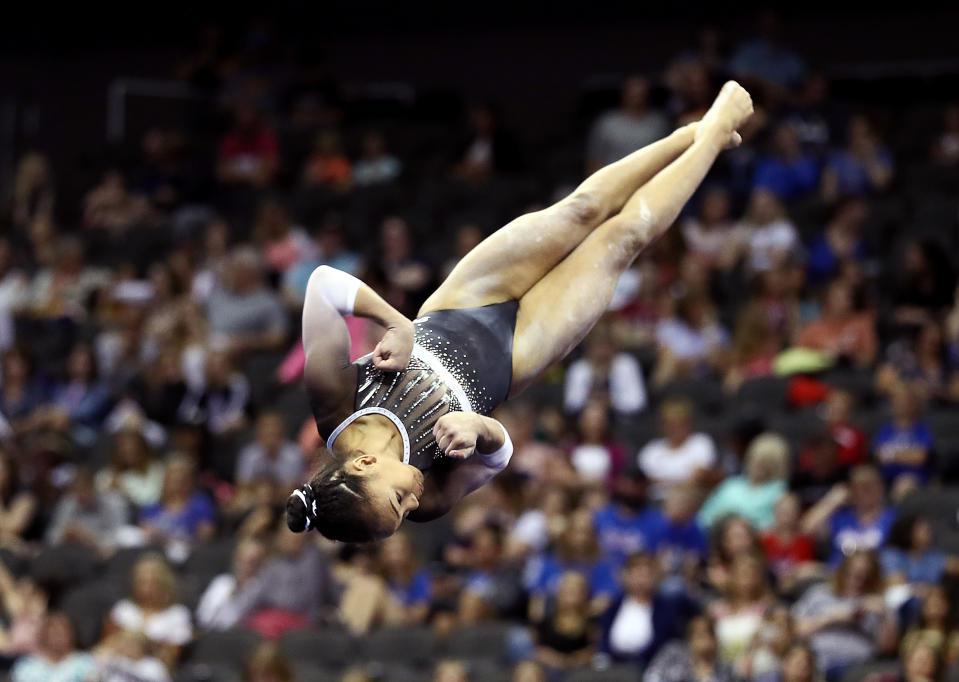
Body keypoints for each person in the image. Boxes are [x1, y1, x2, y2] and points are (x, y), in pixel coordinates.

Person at [286, 82, 755, 543]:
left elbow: (324, 285)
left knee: (582, 210)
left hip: (461, 303)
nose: (413, 502)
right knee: (622, 240)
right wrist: (482, 429)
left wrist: (397, 323)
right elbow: (498, 458)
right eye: (405, 512)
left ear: (364, 465)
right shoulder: (429, 503)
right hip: (516, 354)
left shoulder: (335, 402)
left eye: (398, 501)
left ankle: (684, 136)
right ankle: (714, 133)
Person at [792, 551, 897, 676]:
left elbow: (887, 648)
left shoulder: (877, 603)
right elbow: (795, 630)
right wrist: (832, 618)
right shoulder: (819, 593)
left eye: (866, 576)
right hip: (818, 662)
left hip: (859, 666)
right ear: (842, 571)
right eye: (853, 574)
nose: (859, 581)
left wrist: (883, 616)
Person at [599, 551, 700, 668]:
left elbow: (694, 612)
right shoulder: (614, 606)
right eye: (636, 574)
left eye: (646, 575)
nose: (641, 580)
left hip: (650, 666)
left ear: (656, 577)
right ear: (626, 576)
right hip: (614, 666)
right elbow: (604, 639)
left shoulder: (667, 606)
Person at [102, 555, 193, 667]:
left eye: (152, 583)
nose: (147, 589)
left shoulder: (177, 614)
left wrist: (142, 644)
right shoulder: (123, 608)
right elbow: (107, 644)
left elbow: (171, 656)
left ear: (164, 584)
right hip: (118, 664)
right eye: (142, 583)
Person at [801, 465, 896, 566]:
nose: (866, 491)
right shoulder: (839, 517)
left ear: (880, 487)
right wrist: (832, 501)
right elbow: (806, 529)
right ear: (851, 491)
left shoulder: (891, 517)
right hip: (837, 575)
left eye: (870, 486)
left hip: (877, 577)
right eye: (860, 486)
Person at [698, 432, 789, 531]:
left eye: (764, 463)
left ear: (775, 466)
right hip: (717, 537)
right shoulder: (731, 484)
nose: (757, 466)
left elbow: (773, 525)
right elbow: (704, 517)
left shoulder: (777, 491)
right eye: (754, 459)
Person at [638, 399, 717, 502]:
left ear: (689, 424)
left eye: (680, 424)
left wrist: (662, 482)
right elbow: (646, 481)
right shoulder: (651, 450)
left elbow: (698, 479)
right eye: (671, 424)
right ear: (663, 426)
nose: (676, 429)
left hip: (691, 501)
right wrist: (681, 480)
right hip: (654, 502)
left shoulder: (700, 443)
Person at [587, 76, 671, 170]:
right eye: (633, 94)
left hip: (649, 177)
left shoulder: (658, 123)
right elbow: (594, 157)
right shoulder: (607, 123)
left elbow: (666, 154)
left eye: (641, 94)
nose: (637, 99)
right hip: (614, 177)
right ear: (624, 94)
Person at [563, 323, 647, 416]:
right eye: (598, 347)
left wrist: (612, 402)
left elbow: (638, 402)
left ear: (613, 346)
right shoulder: (579, 369)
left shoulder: (626, 364)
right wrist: (591, 401)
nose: (602, 352)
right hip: (586, 416)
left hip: (621, 417)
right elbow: (571, 403)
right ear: (589, 348)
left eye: (605, 347)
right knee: (593, 414)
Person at [45, 467, 129, 558]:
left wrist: (89, 538)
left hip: (102, 552)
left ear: (93, 487)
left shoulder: (113, 502)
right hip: (71, 552)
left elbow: (121, 535)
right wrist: (64, 535)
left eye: (84, 491)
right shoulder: (68, 502)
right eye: (77, 492)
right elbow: (51, 537)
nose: (81, 496)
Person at [195, 538, 269, 630]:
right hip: (209, 632)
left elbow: (237, 620)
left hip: (237, 637)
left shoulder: (260, 589)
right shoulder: (221, 582)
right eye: (241, 559)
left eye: (251, 561)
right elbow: (203, 615)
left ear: (260, 564)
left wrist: (239, 590)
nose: (244, 565)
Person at [533, 571, 595, 675]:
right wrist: (556, 660)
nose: (570, 595)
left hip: (581, 671)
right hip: (549, 669)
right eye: (567, 590)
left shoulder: (591, 621)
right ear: (559, 592)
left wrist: (573, 661)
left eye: (575, 591)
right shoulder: (546, 619)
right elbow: (537, 648)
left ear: (584, 594)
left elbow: (594, 649)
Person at [873, 383, 934, 485]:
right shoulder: (886, 430)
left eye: (905, 402)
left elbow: (920, 457)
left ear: (914, 404)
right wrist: (907, 454)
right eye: (897, 402)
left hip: (913, 477)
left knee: (903, 484)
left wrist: (890, 454)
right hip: (885, 477)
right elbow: (878, 455)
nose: (901, 405)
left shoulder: (921, 429)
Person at [643, 615, 736, 682]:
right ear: (689, 637)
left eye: (705, 633)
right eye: (697, 634)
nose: (701, 639)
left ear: (713, 639)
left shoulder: (723, 667)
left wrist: (706, 676)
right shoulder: (672, 650)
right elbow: (651, 676)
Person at [10, 613, 95, 682]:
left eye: (62, 633)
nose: (58, 638)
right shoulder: (26, 666)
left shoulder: (85, 663)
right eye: (54, 633)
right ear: (43, 635)